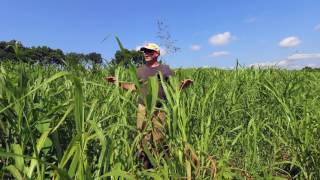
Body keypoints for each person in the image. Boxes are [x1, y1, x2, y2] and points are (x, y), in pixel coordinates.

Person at [106, 43, 193, 168]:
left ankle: (160, 167)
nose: (146, 53)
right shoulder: (139, 70)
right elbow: (134, 87)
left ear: (157, 53)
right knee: (143, 138)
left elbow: (173, 89)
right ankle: (144, 167)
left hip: (160, 108)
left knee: (159, 139)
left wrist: (183, 85)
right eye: (144, 51)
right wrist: (118, 83)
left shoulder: (166, 69)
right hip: (143, 108)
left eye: (149, 51)